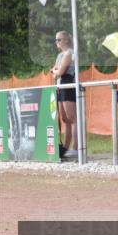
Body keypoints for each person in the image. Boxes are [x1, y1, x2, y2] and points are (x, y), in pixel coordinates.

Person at [51, 31, 77, 159]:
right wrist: (56, 71)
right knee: (65, 119)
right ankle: (66, 148)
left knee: (73, 118)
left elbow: (60, 71)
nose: (57, 42)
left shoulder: (69, 53)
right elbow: (54, 71)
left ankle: (76, 148)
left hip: (68, 84)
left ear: (66, 40)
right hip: (60, 86)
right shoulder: (60, 55)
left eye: (59, 39)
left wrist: (56, 71)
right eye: (56, 40)